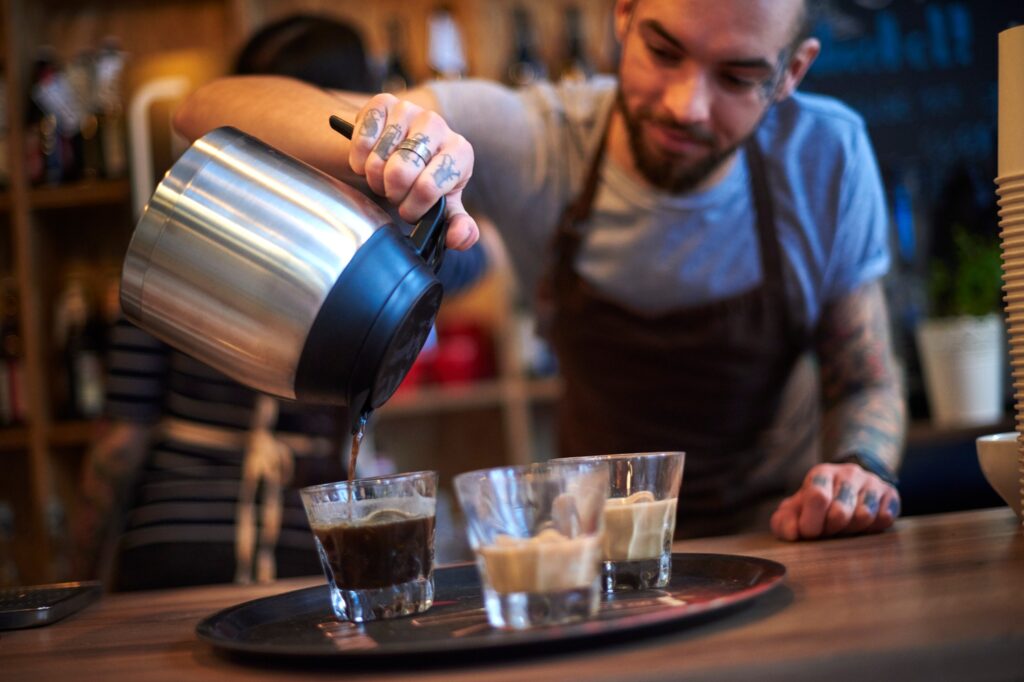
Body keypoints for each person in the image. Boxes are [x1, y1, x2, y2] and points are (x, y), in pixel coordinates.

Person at [173, 0, 906, 541]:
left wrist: (854, 469)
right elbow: (204, 109)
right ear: (623, 15)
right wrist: (386, 135)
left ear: (792, 71)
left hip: (784, 535)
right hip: (595, 553)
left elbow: (864, 375)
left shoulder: (826, 158)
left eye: (739, 77)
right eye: (663, 51)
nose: (689, 105)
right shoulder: (538, 141)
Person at [72, 14, 485, 590]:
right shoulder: (381, 242)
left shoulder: (184, 227)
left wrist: (82, 566)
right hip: (313, 551)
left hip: (169, 540)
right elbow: (470, 259)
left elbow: (122, 439)